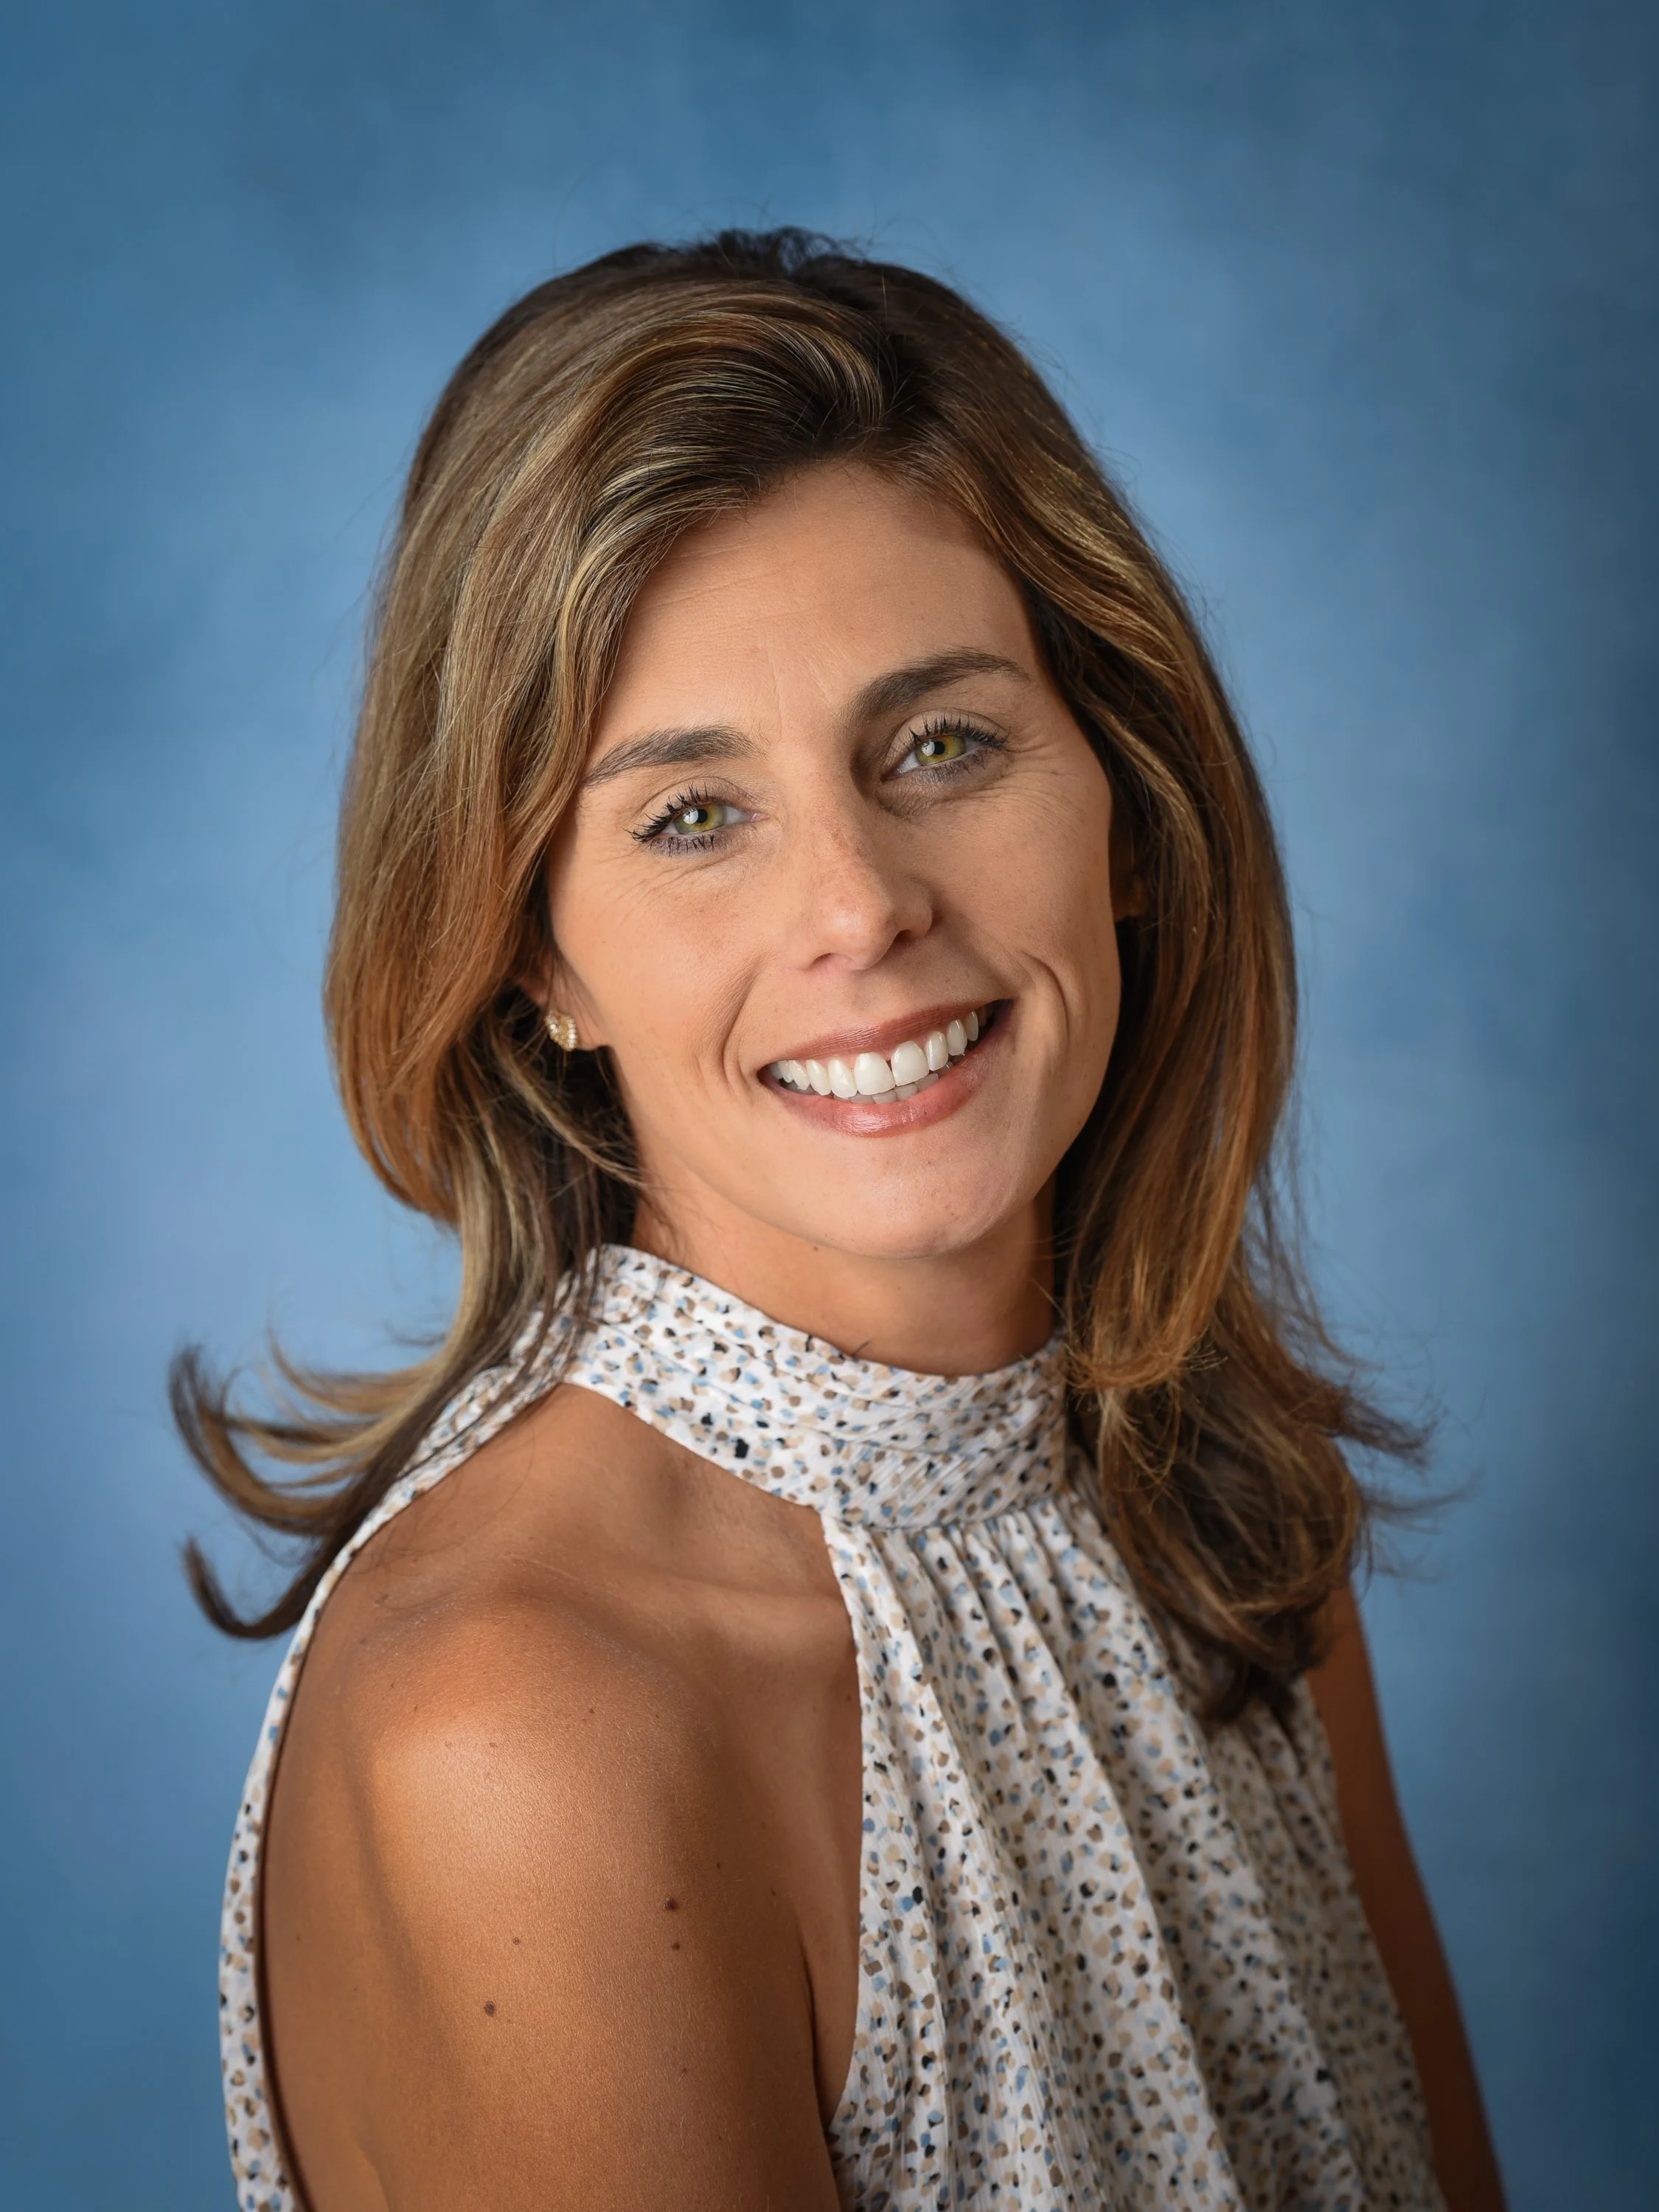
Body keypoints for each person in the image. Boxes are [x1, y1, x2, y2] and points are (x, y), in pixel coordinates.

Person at [182, 230, 1505, 2212]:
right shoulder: (527, 1725)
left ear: (1127, 804)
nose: (863, 906)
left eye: (943, 746)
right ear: (531, 953)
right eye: (693, 815)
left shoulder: (1217, 1498)